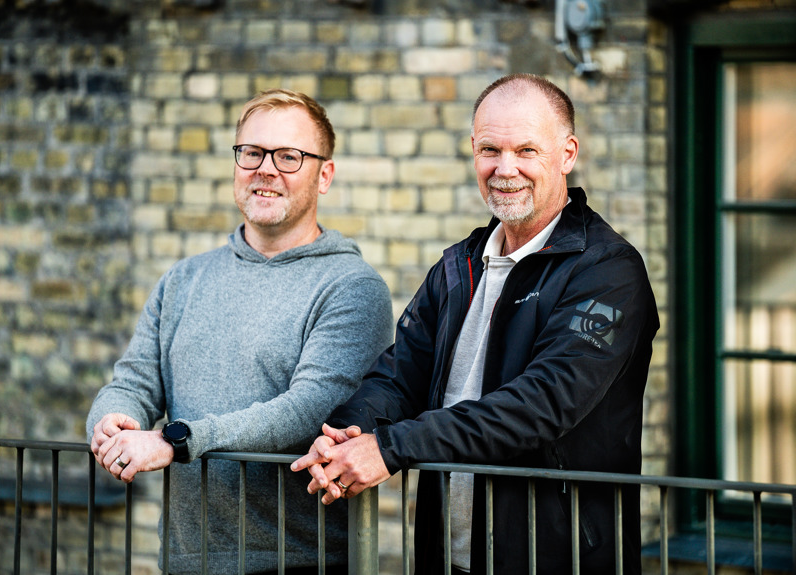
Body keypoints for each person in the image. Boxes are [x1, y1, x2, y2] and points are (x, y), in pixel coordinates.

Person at [292, 74, 659, 574]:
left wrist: (390, 448)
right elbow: (399, 375)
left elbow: (541, 405)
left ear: (567, 154)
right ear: (472, 150)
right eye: (490, 149)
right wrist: (349, 432)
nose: (505, 169)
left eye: (526, 150)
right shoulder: (458, 265)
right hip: (448, 557)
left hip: (558, 559)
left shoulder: (607, 269)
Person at [87, 89, 394, 575]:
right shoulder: (184, 279)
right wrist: (110, 421)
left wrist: (177, 440)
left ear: (325, 175)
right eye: (252, 152)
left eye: (289, 157)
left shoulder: (351, 287)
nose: (266, 169)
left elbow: (308, 411)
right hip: (186, 560)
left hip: (297, 562)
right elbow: (133, 380)